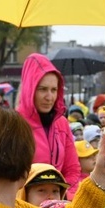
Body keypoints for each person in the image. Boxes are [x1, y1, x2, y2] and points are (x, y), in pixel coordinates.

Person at [17, 54, 82, 199]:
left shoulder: (62, 123)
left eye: (54, 90)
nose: (49, 97)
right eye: (42, 89)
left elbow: (72, 169)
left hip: (58, 206)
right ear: (30, 89)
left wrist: (65, 196)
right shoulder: (14, 124)